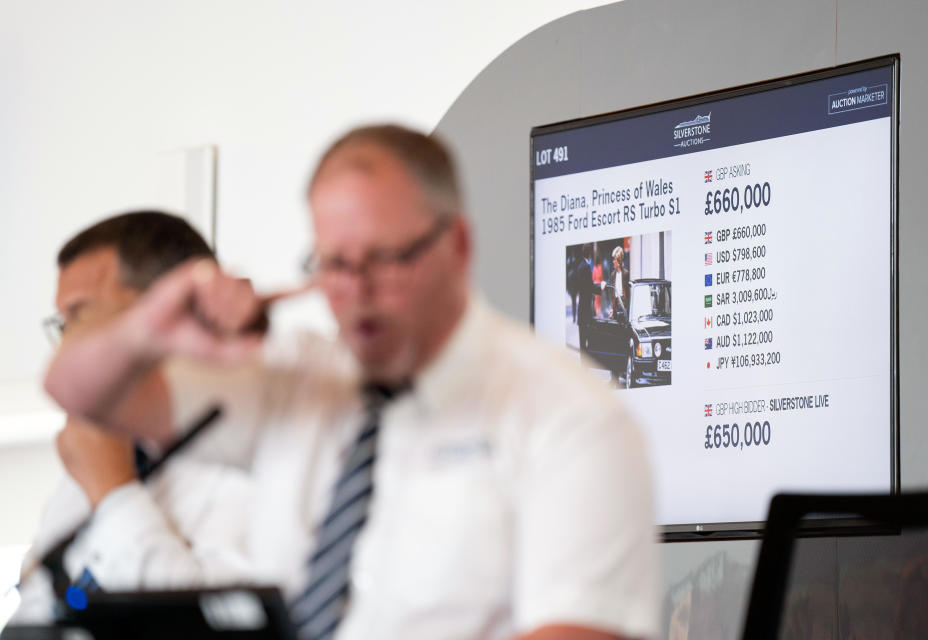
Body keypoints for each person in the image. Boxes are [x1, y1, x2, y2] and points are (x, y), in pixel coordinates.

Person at [43, 125, 658, 640]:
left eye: (386, 261)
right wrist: (159, 322)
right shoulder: (298, 382)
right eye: (335, 265)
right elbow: (79, 391)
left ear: (458, 247)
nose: (358, 295)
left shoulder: (565, 413)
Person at [14, 211, 252, 623]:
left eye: (83, 315)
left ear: (170, 309)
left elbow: (222, 626)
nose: (68, 347)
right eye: (62, 324)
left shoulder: (255, 453)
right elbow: (39, 611)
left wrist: (115, 494)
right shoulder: (98, 451)